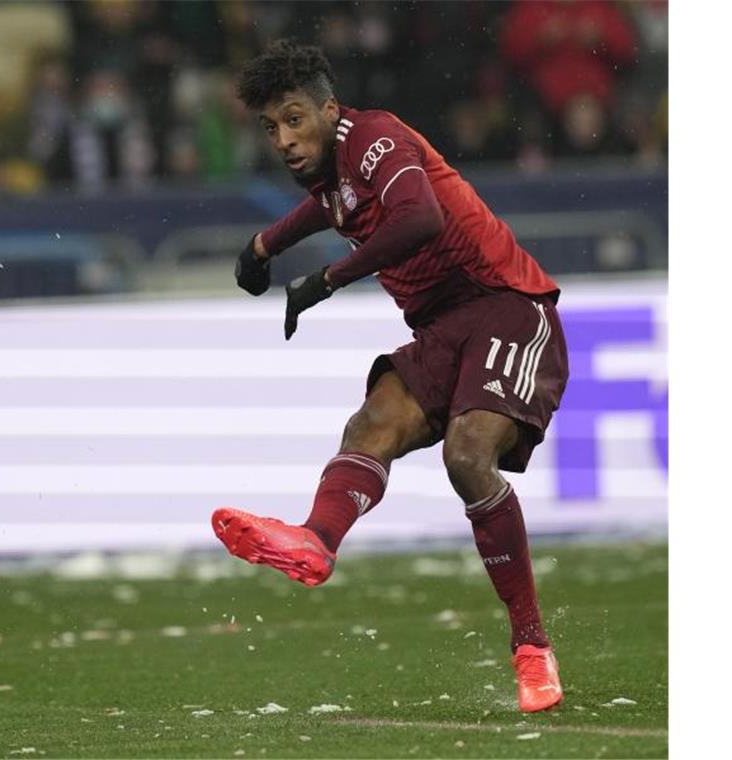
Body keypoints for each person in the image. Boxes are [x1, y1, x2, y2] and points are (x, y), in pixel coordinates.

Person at [212, 40, 568, 714]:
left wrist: (326, 278)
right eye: (270, 128)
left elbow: (420, 217)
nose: (284, 140)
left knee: (468, 456)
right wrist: (265, 246)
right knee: (370, 424)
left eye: (294, 119)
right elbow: (332, 206)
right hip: (439, 330)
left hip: (504, 307)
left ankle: (531, 648)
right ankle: (315, 542)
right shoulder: (335, 175)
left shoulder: (374, 137)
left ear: (329, 109)